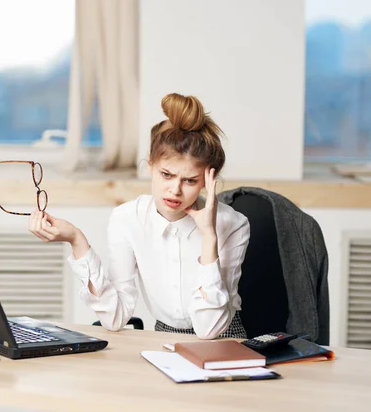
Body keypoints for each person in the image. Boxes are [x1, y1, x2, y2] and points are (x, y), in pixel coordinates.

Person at [29, 93, 250, 339]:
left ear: (208, 180)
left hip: (225, 337)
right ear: (151, 166)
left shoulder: (232, 224)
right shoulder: (127, 219)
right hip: (164, 337)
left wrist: (209, 237)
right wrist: (76, 240)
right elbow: (114, 318)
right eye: (166, 174)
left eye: (189, 180)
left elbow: (209, 330)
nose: (175, 190)